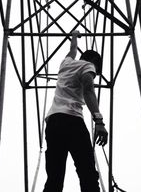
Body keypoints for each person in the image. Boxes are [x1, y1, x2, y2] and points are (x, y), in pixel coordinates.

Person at [43, 30, 108, 192]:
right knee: (88, 175)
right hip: (72, 121)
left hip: (53, 122)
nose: (96, 73)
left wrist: (74, 36)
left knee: (54, 177)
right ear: (94, 60)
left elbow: (72, 50)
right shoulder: (88, 65)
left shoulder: (66, 63)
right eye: (97, 69)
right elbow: (88, 90)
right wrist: (99, 121)